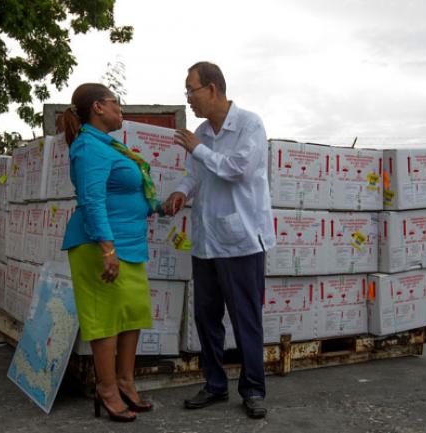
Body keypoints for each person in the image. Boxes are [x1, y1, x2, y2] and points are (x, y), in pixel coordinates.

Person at [163, 62, 276, 419]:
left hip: (241, 240)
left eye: (191, 91)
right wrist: (181, 192)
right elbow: (194, 175)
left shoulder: (249, 125)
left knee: (245, 318)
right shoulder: (201, 131)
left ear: (212, 89)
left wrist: (198, 149)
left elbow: (237, 170)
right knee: (206, 317)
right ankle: (214, 384)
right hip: (207, 240)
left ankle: (253, 389)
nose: (189, 99)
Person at [59, 83, 163, 422]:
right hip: (100, 246)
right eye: (116, 103)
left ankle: (124, 381)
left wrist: (161, 205)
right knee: (105, 320)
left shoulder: (111, 146)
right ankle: (105, 388)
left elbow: (126, 191)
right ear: (98, 107)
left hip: (129, 245)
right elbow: (92, 200)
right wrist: (107, 248)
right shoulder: (88, 147)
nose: (122, 110)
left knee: (132, 314)